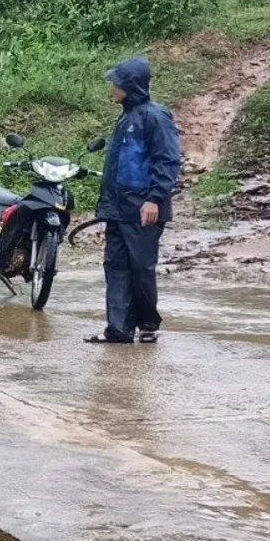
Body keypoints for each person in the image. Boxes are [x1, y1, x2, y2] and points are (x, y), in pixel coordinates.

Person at [87, 57, 181, 345]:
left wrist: (154, 199)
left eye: (116, 83)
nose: (112, 88)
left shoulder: (155, 117)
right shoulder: (126, 117)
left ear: (130, 86)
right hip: (118, 208)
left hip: (143, 208)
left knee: (140, 269)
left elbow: (167, 161)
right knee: (115, 267)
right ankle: (118, 329)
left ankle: (148, 324)